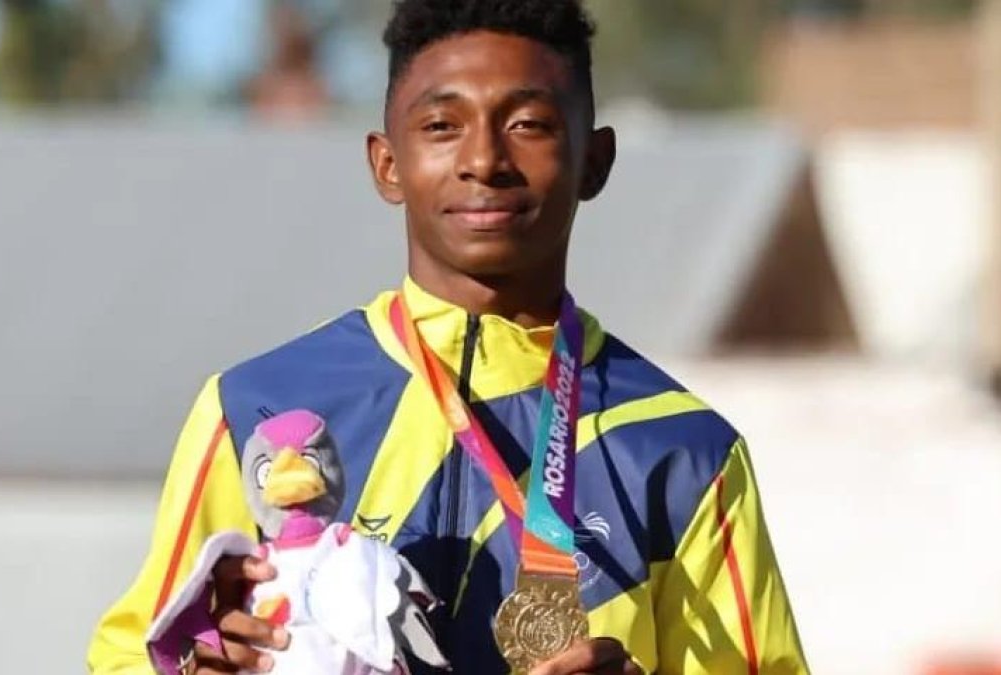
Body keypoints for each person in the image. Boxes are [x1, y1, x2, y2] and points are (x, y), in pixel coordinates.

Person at [87, 0, 809, 673]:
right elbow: (131, 652)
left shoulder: (684, 452)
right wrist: (195, 663)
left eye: (528, 123)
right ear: (387, 162)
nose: (484, 159)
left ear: (595, 160)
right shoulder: (257, 409)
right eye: (441, 126)